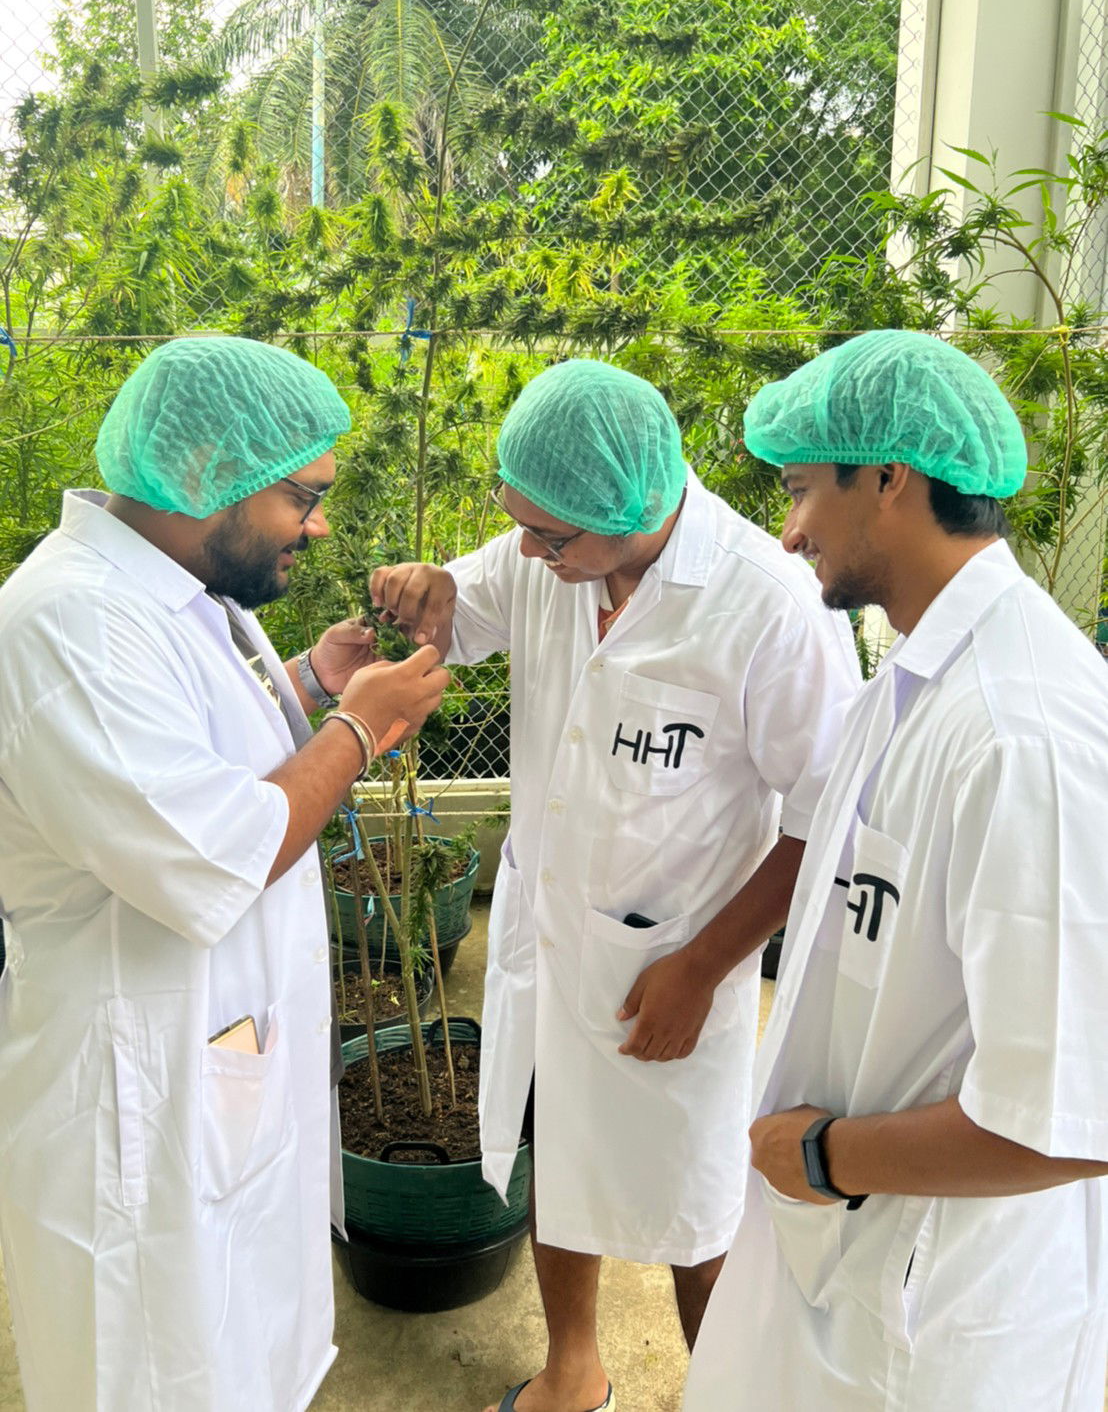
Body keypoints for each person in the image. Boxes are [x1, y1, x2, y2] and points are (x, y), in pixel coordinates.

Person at [370, 358, 861, 1412]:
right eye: (520, 529)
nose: (531, 557)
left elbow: (826, 814)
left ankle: (724, 1389)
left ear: (635, 508)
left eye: (551, 539)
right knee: (564, 1149)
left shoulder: (766, 605)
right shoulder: (556, 555)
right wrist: (430, 587)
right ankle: (572, 1368)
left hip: (676, 960)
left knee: (699, 1206)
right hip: (549, 939)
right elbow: (462, 606)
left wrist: (701, 965)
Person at [0, 336, 450, 1412]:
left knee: (237, 1352)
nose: (322, 524)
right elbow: (216, 846)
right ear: (206, 469)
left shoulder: (175, 593)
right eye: (304, 495)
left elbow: (187, 760)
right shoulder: (71, 622)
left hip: (209, 1055)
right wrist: (360, 725)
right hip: (133, 1100)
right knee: (154, 1368)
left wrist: (308, 680)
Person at [684, 329, 1108, 1411]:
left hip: (941, 1309)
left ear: (889, 478)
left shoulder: (1021, 734)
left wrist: (824, 1156)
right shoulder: (913, 685)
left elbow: (1067, 1116)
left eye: (799, 491)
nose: (786, 533)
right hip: (855, 1260)